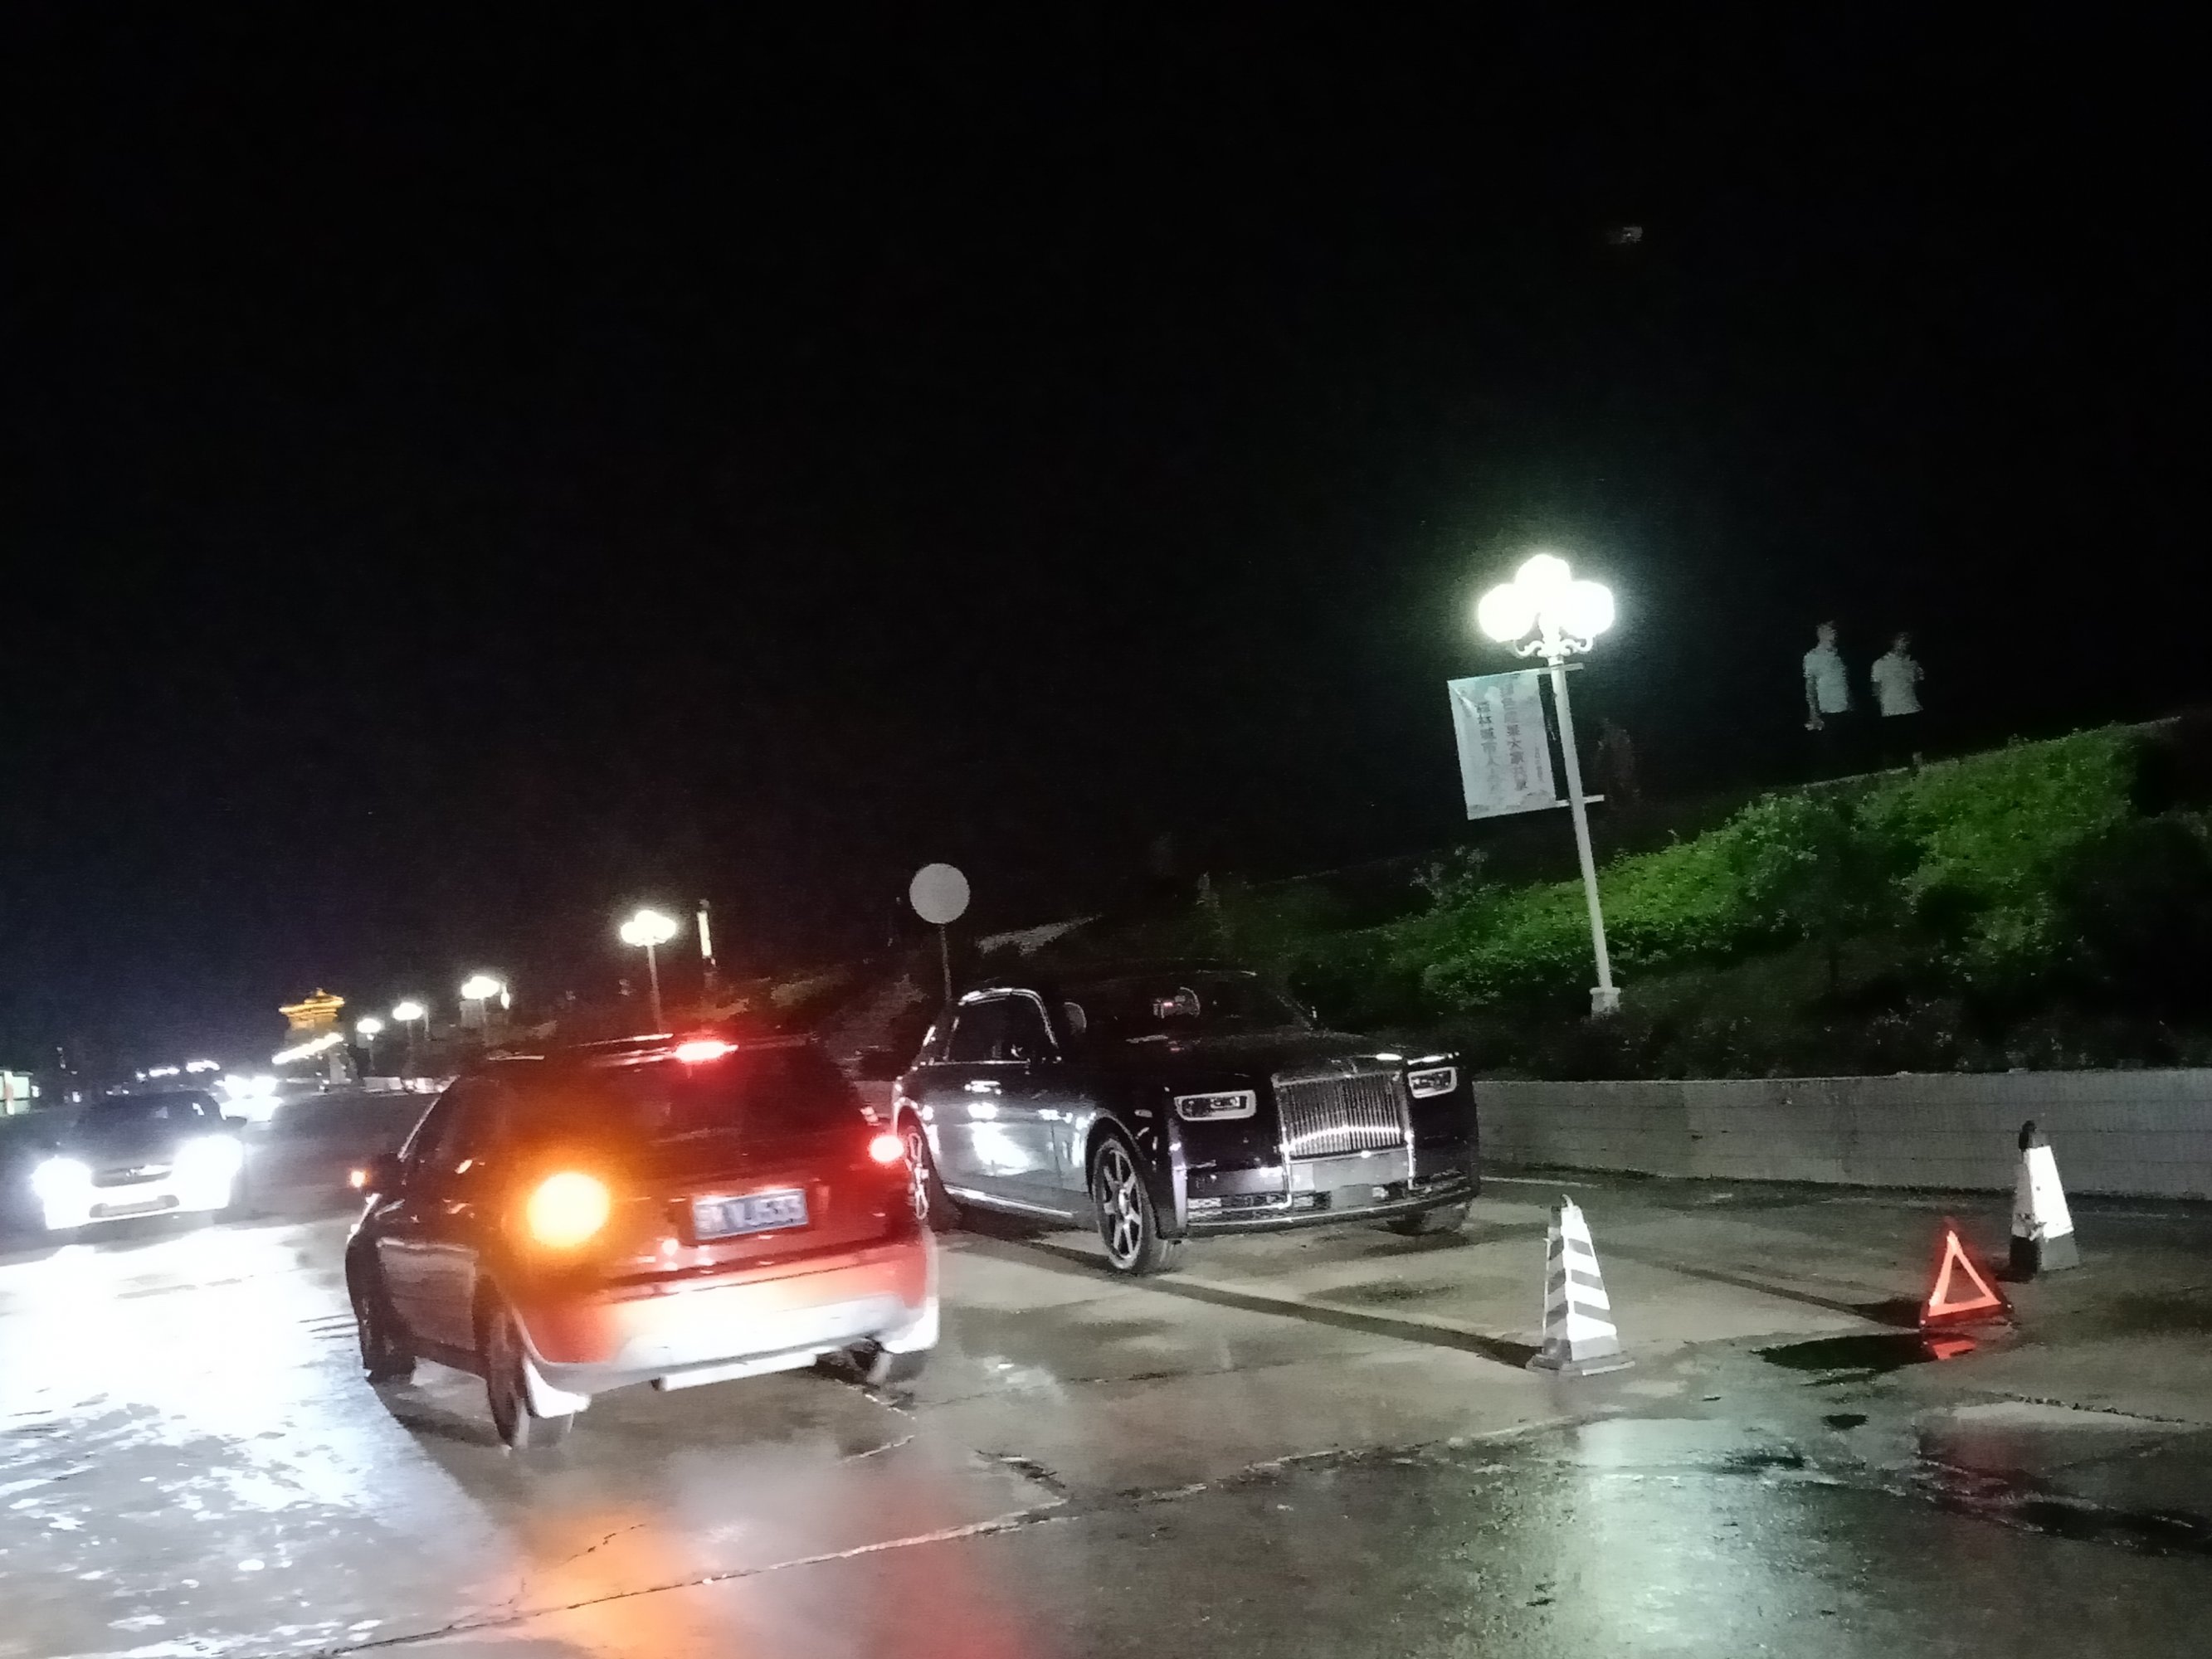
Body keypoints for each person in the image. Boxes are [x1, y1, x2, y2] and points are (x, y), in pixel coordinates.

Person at [1801, 620, 1854, 774]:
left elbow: (1844, 681)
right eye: (1830, 631)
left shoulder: (1839, 655)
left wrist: (1851, 702)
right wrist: (1814, 712)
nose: (1834, 634)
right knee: (1830, 751)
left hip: (1844, 707)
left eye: (1835, 631)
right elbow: (1810, 686)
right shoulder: (1813, 656)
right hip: (1827, 709)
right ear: (1821, 634)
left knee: (1848, 750)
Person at [1869, 630, 1925, 766]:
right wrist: (1883, 704)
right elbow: (1875, 688)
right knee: (1891, 746)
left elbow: (1918, 684)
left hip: (1912, 708)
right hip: (1891, 710)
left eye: (1907, 640)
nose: (1905, 643)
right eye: (1901, 639)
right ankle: (1889, 772)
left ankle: (1919, 769)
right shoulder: (1880, 663)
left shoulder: (1913, 663)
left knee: (1916, 744)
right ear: (1893, 641)